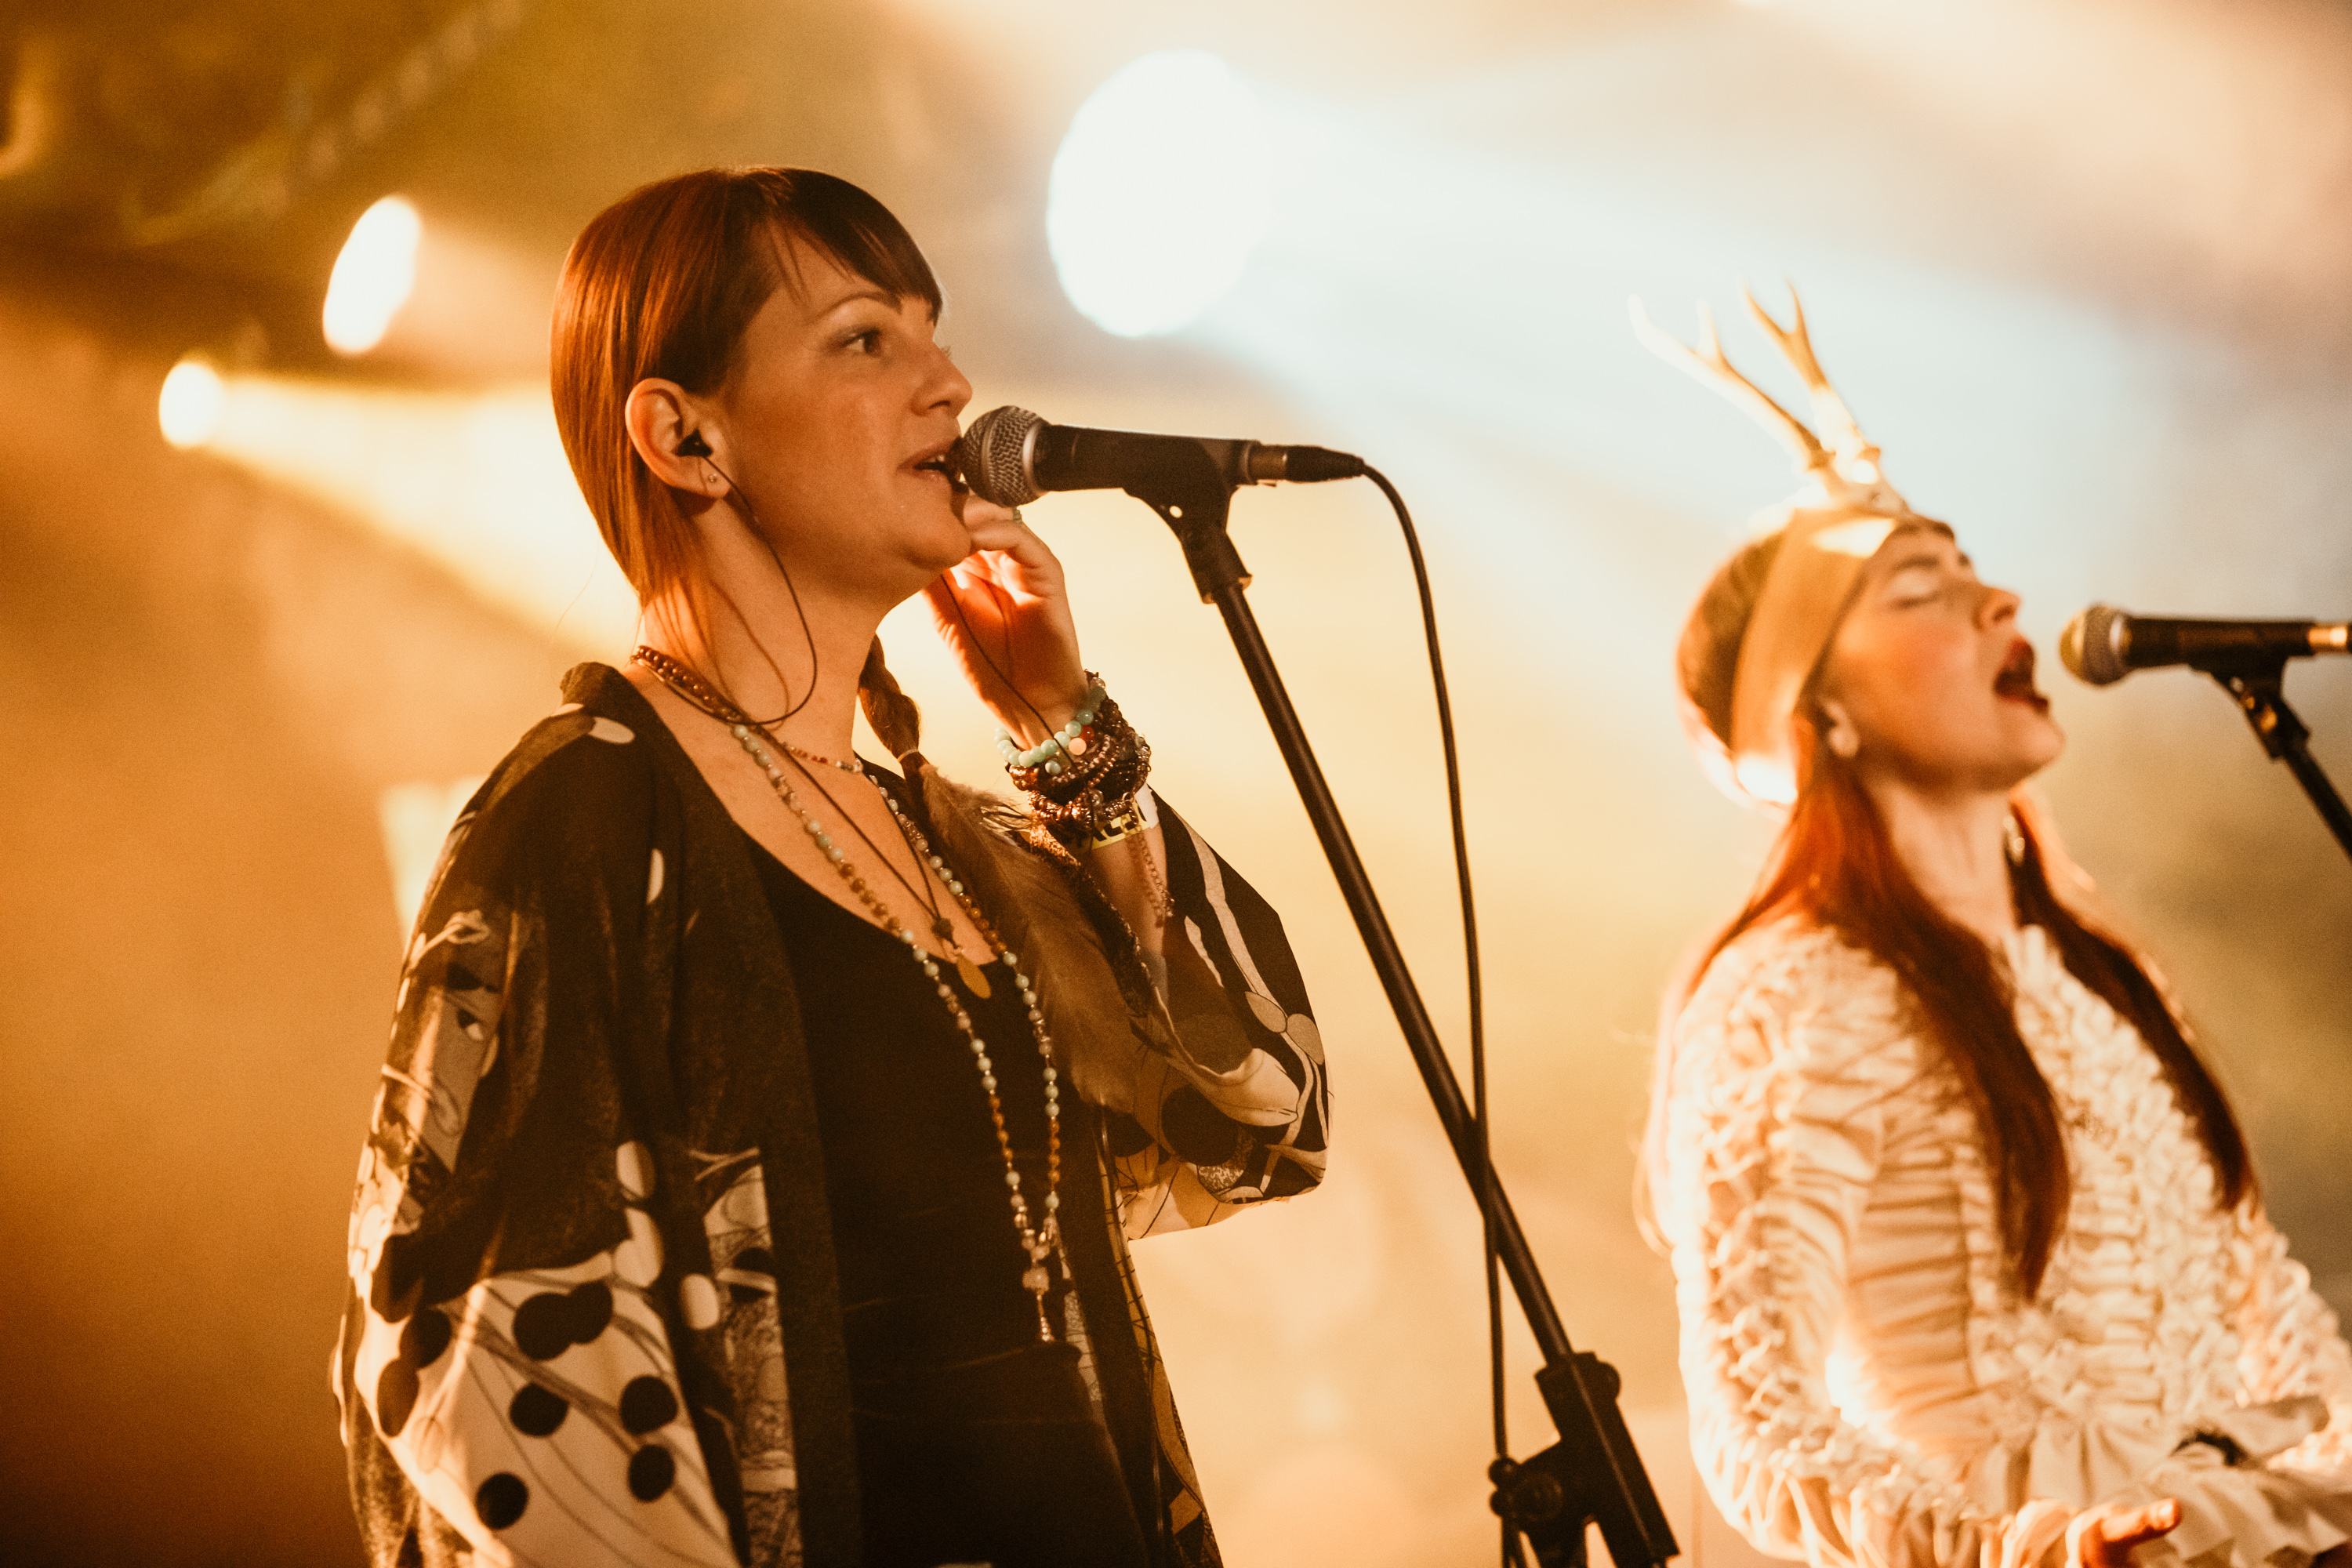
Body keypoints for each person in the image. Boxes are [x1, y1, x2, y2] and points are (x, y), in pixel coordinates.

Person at [332, 167, 1331, 1568]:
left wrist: (1064, 731)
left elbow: (1261, 1118)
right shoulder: (586, 822)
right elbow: (466, 1368)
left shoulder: (946, 839)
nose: (951, 384)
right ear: (685, 437)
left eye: (934, 331)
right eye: (866, 338)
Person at [1635, 290, 2352, 1568]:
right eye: (1924, 591)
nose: (2002, 604)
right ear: (1821, 710)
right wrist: (2014, 1549)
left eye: (1978, 575)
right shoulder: (1795, 992)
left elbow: (2281, 1339)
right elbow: (1758, 1421)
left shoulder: (2097, 978)